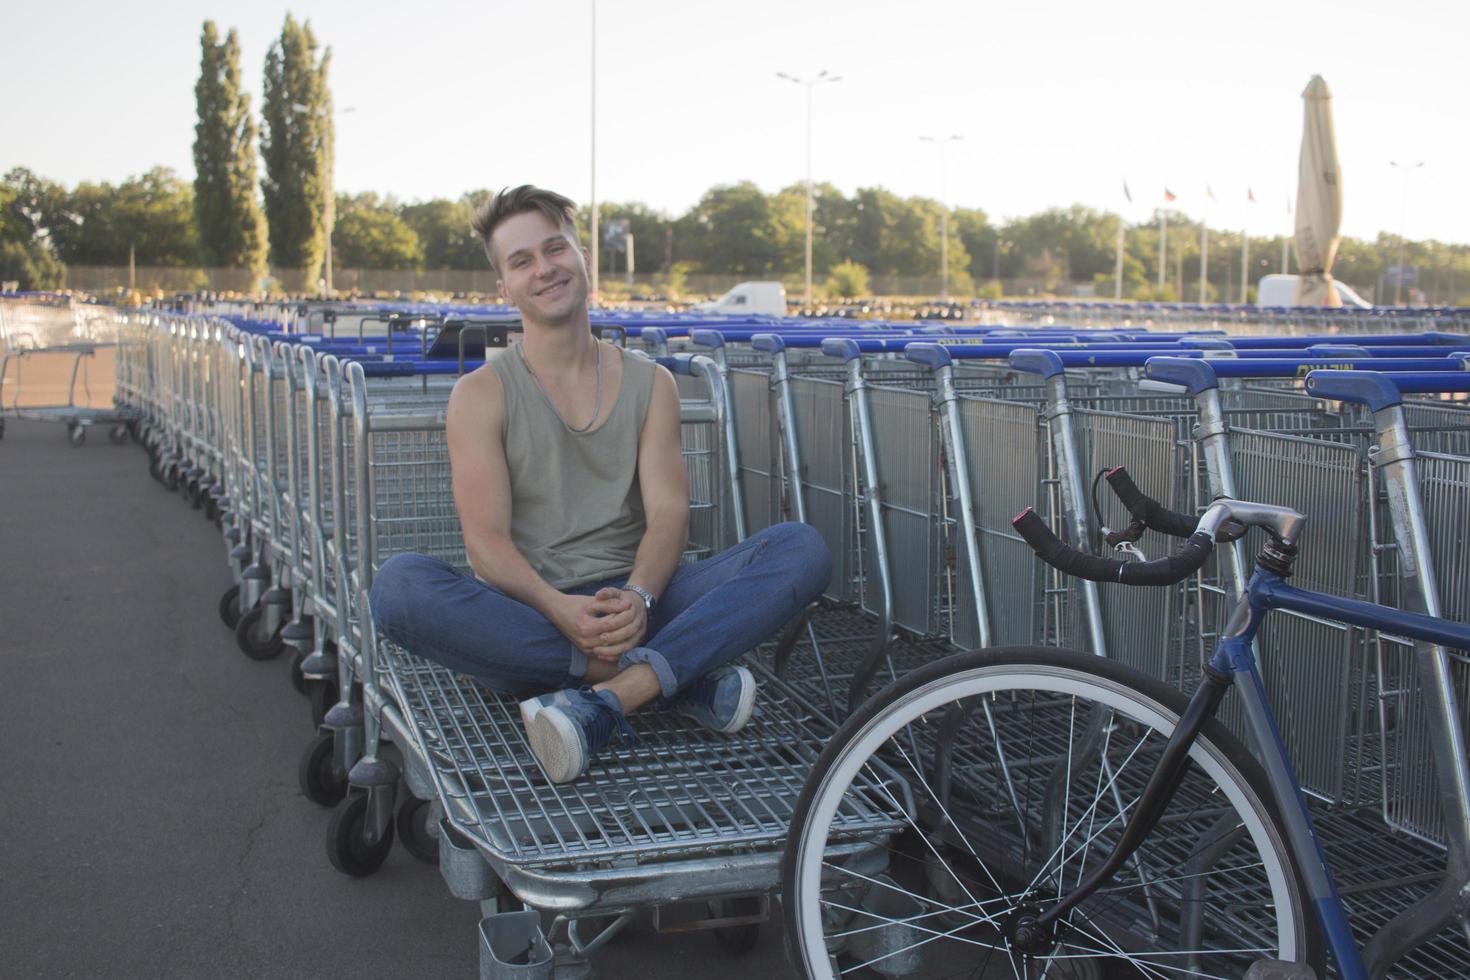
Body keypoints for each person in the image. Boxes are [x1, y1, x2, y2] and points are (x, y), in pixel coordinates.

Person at [369, 185, 832, 783]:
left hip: (645, 604)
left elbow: (668, 515)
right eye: (522, 261)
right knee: (398, 587)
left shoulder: (651, 384)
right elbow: (487, 545)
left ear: (582, 256)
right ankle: (668, 679)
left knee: (801, 549)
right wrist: (560, 609)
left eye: (555, 248)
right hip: (531, 620)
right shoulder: (480, 395)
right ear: (504, 288)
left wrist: (639, 598)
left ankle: (614, 698)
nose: (545, 269)